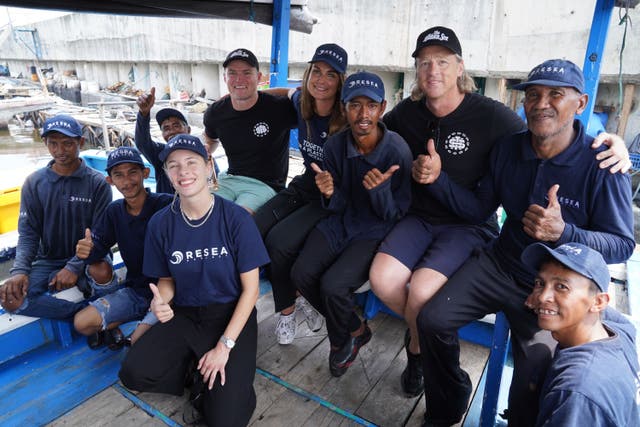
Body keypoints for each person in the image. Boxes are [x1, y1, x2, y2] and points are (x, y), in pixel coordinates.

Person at [369, 26, 633, 399]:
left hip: (554, 283)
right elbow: (478, 207)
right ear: (523, 103)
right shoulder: (510, 147)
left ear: (581, 103)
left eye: (556, 95)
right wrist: (437, 179)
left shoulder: (601, 163)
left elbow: (623, 244)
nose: (542, 103)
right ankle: (448, 399)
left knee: (536, 373)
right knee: (430, 318)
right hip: (498, 263)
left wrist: (565, 233)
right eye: (534, 95)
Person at [119, 134, 269, 427]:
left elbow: (251, 291)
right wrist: (160, 302)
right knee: (133, 373)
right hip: (186, 313)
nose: (183, 171)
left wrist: (224, 346)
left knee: (224, 419)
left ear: (208, 166)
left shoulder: (236, 219)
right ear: (166, 175)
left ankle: (228, 391)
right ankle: (197, 371)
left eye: (191, 162)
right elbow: (166, 281)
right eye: (173, 165)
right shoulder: (161, 223)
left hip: (230, 314)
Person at [291, 72, 413, 377]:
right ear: (344, 108)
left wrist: (381, 192)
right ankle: (356, 329)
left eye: (371, 106)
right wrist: (330, 192)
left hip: (375, 230)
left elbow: (397, 215)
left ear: (382, 108)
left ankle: (339, 342)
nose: (363, 114)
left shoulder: (397, 150)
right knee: (301, 273)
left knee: (333, 285)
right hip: (340, 222)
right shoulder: (335, 145)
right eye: (355, 105)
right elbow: (338, 202)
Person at [253, 43, 348, 345]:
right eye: (316, 71)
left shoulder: (347, 119)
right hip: (307, 182)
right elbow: (284, 92)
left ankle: (287, 311)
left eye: (330, 75)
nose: (321, 80)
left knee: (279, 243)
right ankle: (297, 291)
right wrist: (251, 95)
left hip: (332, 194)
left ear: (341, 82)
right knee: (254, 228)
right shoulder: (303, 103)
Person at [0, 114, 115, 319]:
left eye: (67, 144)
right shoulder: (34, 183)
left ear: (80, 142)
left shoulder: (97, 183)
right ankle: (83, 316)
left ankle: (107, 315)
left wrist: (73, 266)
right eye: (53, 144)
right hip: (48, 260)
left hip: (89, 257)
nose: (60, 151)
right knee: (11, 298)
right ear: (45, 143)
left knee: (102, 271)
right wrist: (19, 271)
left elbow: (101, 235)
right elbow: (28, 234)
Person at [521, 242, 640, 427]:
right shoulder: (620, 331)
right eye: (540, 283)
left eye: (561, 286)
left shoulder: (576, 393)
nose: (543, 297)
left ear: (599, 302)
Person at [73, 147, 173, 349]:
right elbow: (98, 248)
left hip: (171, 293)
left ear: (145, 173)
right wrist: (86, 251)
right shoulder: (114, 211)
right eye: (119, 175)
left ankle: (142, 327)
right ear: (110, 180)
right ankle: (121, 324)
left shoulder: (168, 205)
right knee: (81, 323)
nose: (127, 181)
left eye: (132, 172)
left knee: (138, 344)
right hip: (136, 291)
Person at [203, 48, 297, 214]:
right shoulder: (215, 112)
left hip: (264, 185)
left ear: (259, 77)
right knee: (202, 212)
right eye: (232, 73)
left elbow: (308, 99)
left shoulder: (278, 107)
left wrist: (287, 91)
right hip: (229, 179)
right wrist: (204, 150)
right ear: (225, 77)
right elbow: (210, 139)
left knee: (237, 219)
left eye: (247, 73)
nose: (239, 79)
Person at [135, 89, 191, 193]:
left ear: (188, 130)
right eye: (166, 128)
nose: (172, 132)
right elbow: (142, 143)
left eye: (176, 126)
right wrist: (143, 113)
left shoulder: (202, 152)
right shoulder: (160, 154)